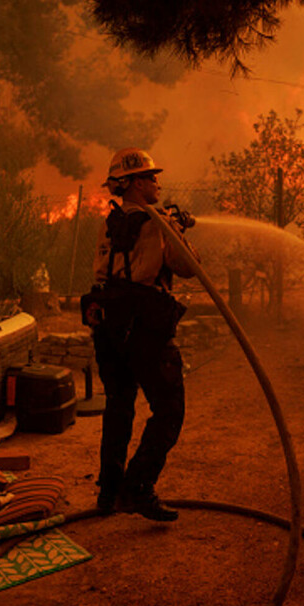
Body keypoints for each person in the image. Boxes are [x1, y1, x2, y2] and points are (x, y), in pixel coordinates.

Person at [82, 147, 198, 522]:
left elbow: (103, 272)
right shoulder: (158, 222)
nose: (156, 182)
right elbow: (188, 268)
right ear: (131, 184)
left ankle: (109, 491)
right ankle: (138, 488)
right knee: (169, 410)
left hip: (110, 324)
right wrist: (177, 229)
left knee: (119, 406)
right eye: (150, 177)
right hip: (146, 326)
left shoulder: (109, 222)